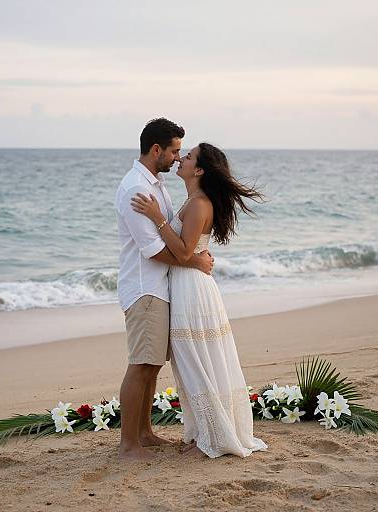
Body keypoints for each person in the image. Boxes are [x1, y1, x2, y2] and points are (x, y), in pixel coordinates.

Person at [131, 142, 268, 458]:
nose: (181, 158)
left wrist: (157, 217)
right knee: (193, 360)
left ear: (201, 169)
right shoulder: (193, 200)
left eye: (188, 157)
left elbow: (182, 251)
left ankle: (214, 437)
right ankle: (204, 432)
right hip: (187, 285)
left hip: (192, 290)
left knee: (196, 360)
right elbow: (189, 251)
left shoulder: (199, 204)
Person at [114, 119, 214, 461]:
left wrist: (191, 256)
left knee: (152, 364)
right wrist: (196, 262)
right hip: (145, 288)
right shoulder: (136, 189)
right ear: (156, 149)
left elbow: (173, 234)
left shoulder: (156, 184)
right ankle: (128, 445)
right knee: (141, 364)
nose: (177, 157)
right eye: (173, 151)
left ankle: (144, 433)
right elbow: (153, 249)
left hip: (161, 287)